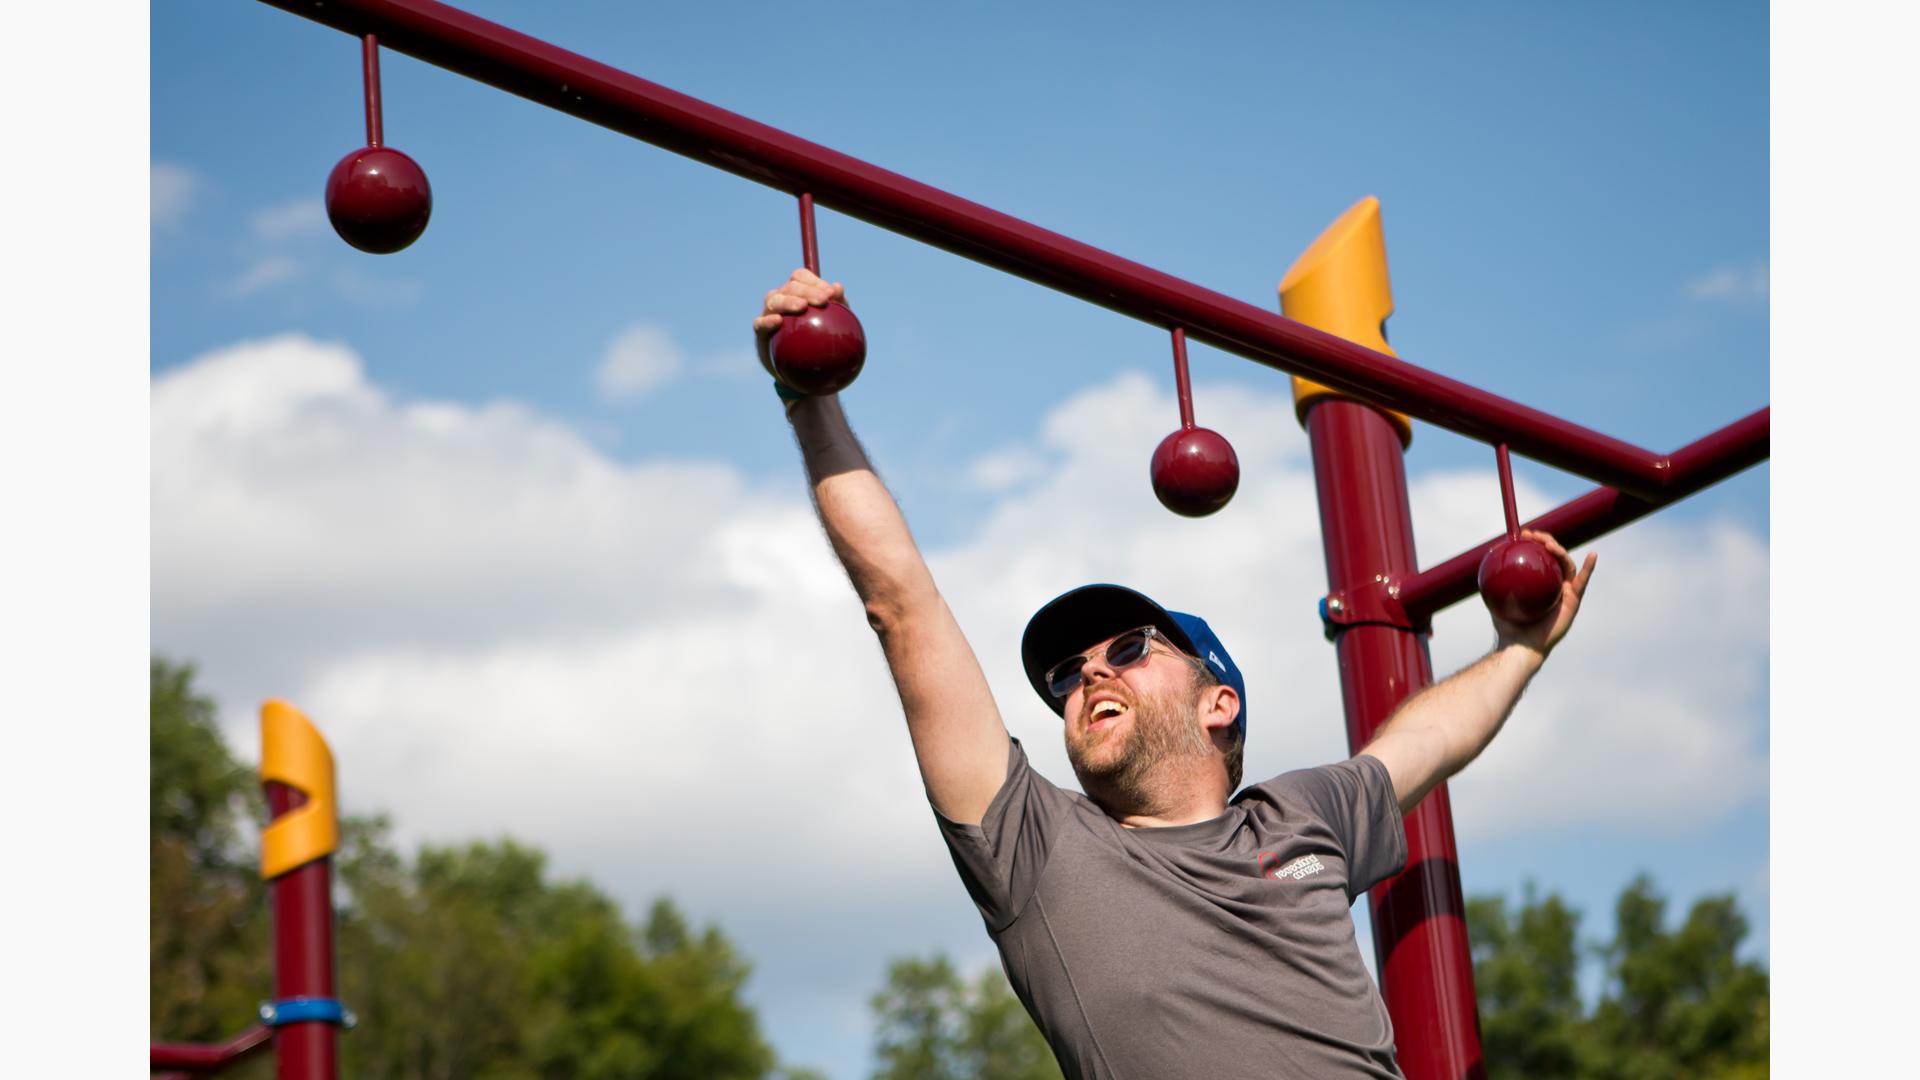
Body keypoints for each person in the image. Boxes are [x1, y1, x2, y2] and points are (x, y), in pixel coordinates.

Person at [755, 268, 1598, 1079]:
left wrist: (1520, 649)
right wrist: (809, 399)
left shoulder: (1297, 817)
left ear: (1217, 703)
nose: (1089, 675)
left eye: (1127, 650)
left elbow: (1427, 739)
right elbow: (903, 606)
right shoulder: (1034, 849)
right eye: (1066, 675)